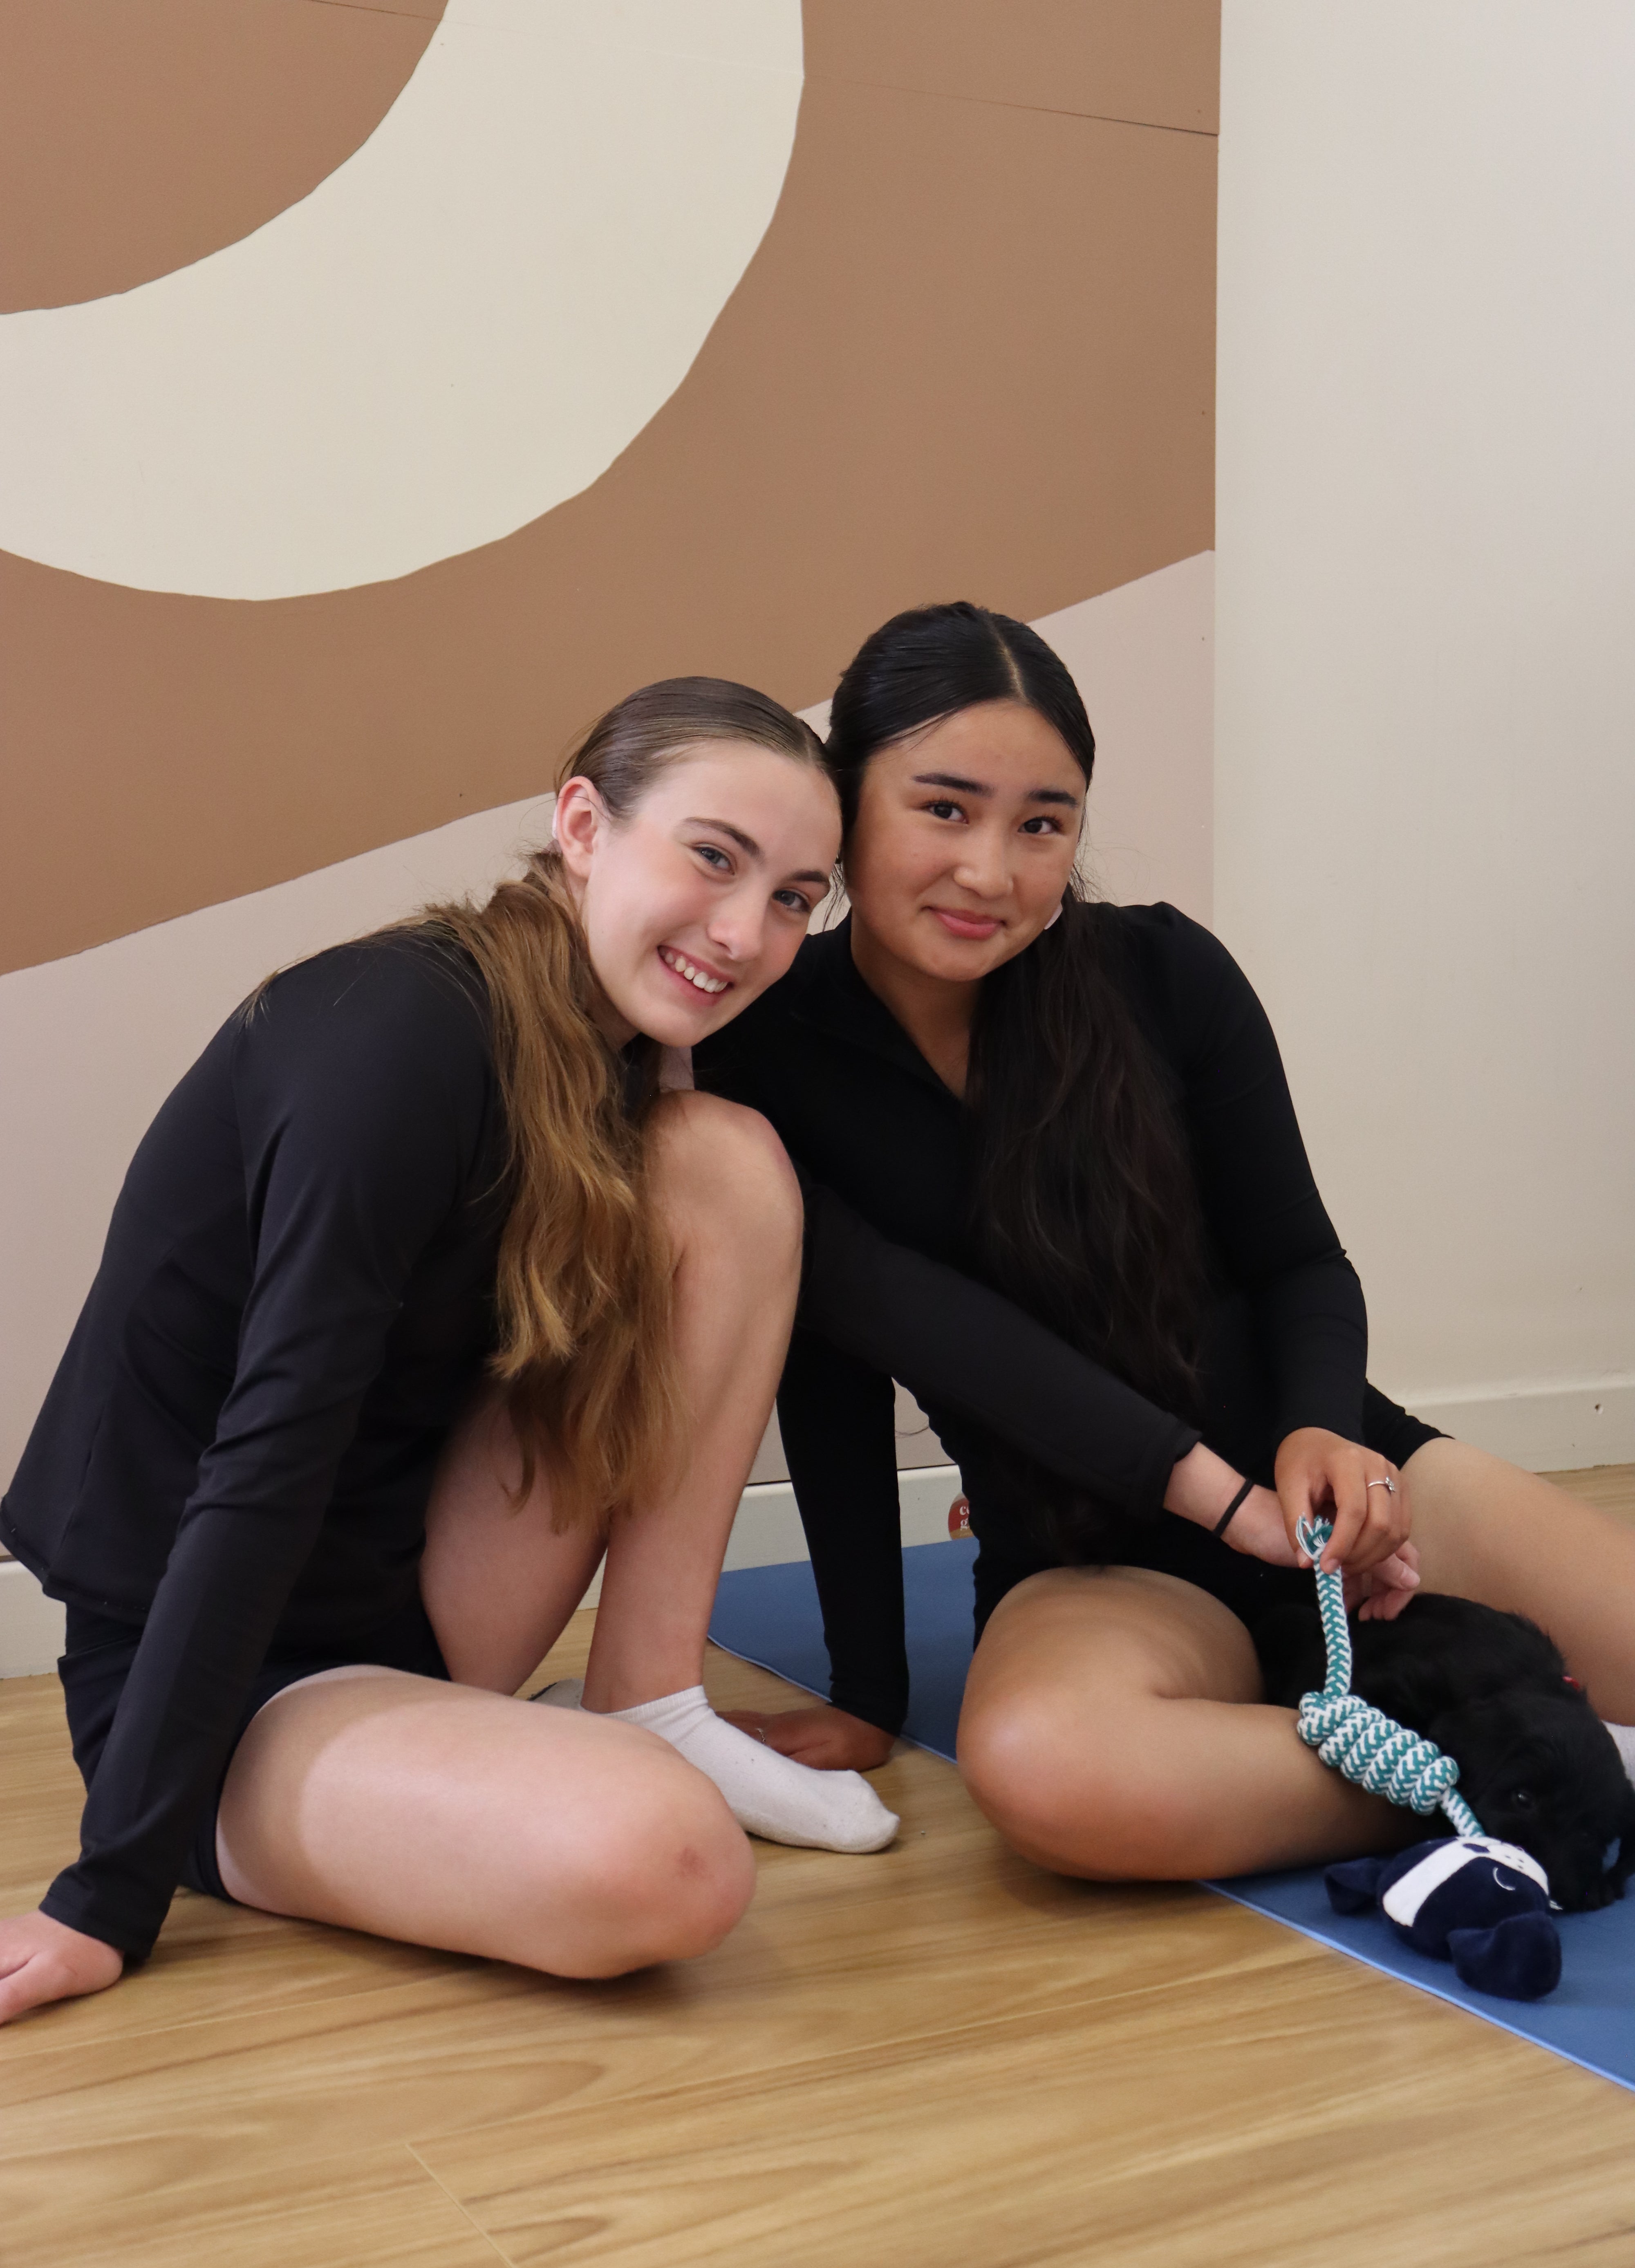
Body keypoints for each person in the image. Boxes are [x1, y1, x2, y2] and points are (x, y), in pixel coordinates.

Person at [0, 676, 900, 2032]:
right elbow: (266, 1453)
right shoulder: (392, 1035)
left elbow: (873, 1301)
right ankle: (527, 1768)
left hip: (417, 1596)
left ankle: (648, 1698)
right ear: (584, 824)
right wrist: (104, 1900)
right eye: (714, 857)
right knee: (669, 1867)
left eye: (793, 897)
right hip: (224, 1681)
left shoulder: (623, 1058)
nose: (747, 932)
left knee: (726, 1171)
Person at [697, 603, 1635, 1882]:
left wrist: (1323, 1434)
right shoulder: (763, 1053)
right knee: (1051, 1775)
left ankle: (1501, 1751)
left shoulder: (1166, 975)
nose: (993, 871)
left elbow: (1302, 1262)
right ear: (846, 801)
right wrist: (867, 1691)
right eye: (944, 809)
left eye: (1044, 823)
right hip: (1099, 1563)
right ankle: (1534, 1764)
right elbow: (831, 1375)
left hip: (1341, 1505)